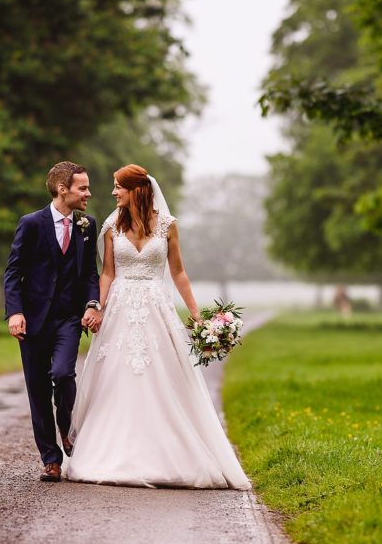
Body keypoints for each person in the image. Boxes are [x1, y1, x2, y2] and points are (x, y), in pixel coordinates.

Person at [62, 164, 251, 490]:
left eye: (118, 186)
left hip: (155, 306)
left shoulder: (167, 225)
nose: (113, 192)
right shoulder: (110, 226)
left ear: (136, 189)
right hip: (121, 308)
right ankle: (113, 453)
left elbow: (178, 273)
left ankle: (170, 456)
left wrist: (197, 315)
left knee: (161, 377)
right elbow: (106, 273)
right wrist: (97, 307)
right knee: (117, 379)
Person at [3, 161, 100, 482]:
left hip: (68, 319)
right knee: (38, 389)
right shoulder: (31, 224)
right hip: (33, 321)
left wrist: (91, 303)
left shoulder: (88, 225)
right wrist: (15, 312)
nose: (88, 193)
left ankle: (67, 426)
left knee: (63, 373)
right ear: (63, 190)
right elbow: (14, 271)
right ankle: (51, 459)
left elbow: (89, 274)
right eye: (82, 188)